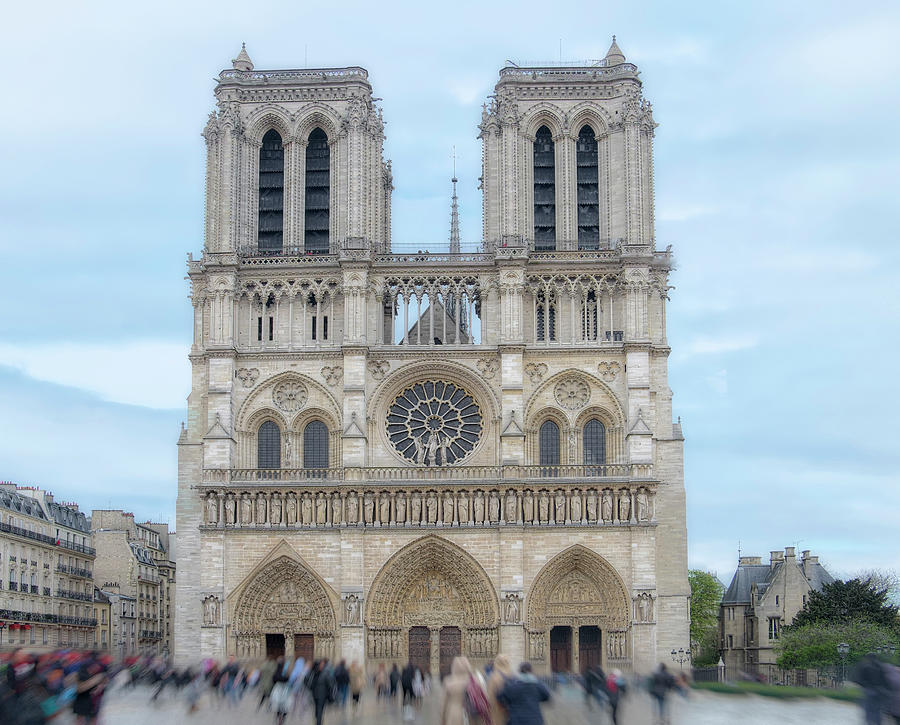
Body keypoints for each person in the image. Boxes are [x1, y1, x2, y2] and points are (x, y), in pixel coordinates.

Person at [852, 653, 890, 725]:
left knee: (869, 710)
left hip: (869, 690)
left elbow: (857, 679)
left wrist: (864, 685)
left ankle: (870, 722)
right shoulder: (880, 666)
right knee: (877, 710)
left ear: (867, 658)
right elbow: (884, 680)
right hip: (879, 691)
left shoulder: (864, 666)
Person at [440, 656, 471, 725]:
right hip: (471, 714)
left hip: (454, 713)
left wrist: (442, 720)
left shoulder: (449, 681)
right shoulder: (473, 680)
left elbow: (443, 704)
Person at [486, 653, 513, 725]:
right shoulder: (512, 675)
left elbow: (490, 695)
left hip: (497, 708)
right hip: (510, 708)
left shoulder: (494, 676)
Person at [306, 659, 334, 725]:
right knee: (319, 709)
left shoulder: (312, 672)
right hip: (321, 694)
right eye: (321, 664)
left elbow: (306, 680)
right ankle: (318, 722)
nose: (322, 665)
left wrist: (310, 688)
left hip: (315, 694)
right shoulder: (324, 673)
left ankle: (317, 719)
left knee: (318, 708)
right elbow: (330, 684)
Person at [269, 658, 292, 725]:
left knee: (278, 705)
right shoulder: (285, 671)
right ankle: (282, 719)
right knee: (284, 705)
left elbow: (273, 679)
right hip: (284, 690)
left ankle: (279, 719)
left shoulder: (277, 671)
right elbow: (287, 679)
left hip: (278, 689)